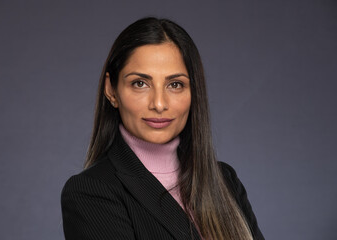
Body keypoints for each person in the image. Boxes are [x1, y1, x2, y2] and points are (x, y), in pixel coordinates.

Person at [61, 17, 264, 240]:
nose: (159, 104)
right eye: (140, 83)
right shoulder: (92, 191)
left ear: (193, 92)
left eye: (175, 84)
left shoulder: (226, 181)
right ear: (111, 90)